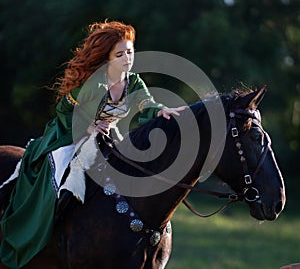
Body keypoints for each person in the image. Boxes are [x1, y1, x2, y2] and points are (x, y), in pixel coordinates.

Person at [0, 20, 186, 268]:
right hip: (70, 135)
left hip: (108, 134)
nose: (126, 58)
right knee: (65, 175)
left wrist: (162, 111)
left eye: (129, 52)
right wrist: (86, 127)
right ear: (107, 57)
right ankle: (52, 219)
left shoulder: (133, 81)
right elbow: (64, 110)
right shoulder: (94, 83)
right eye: (119, 54)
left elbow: (145, 104)